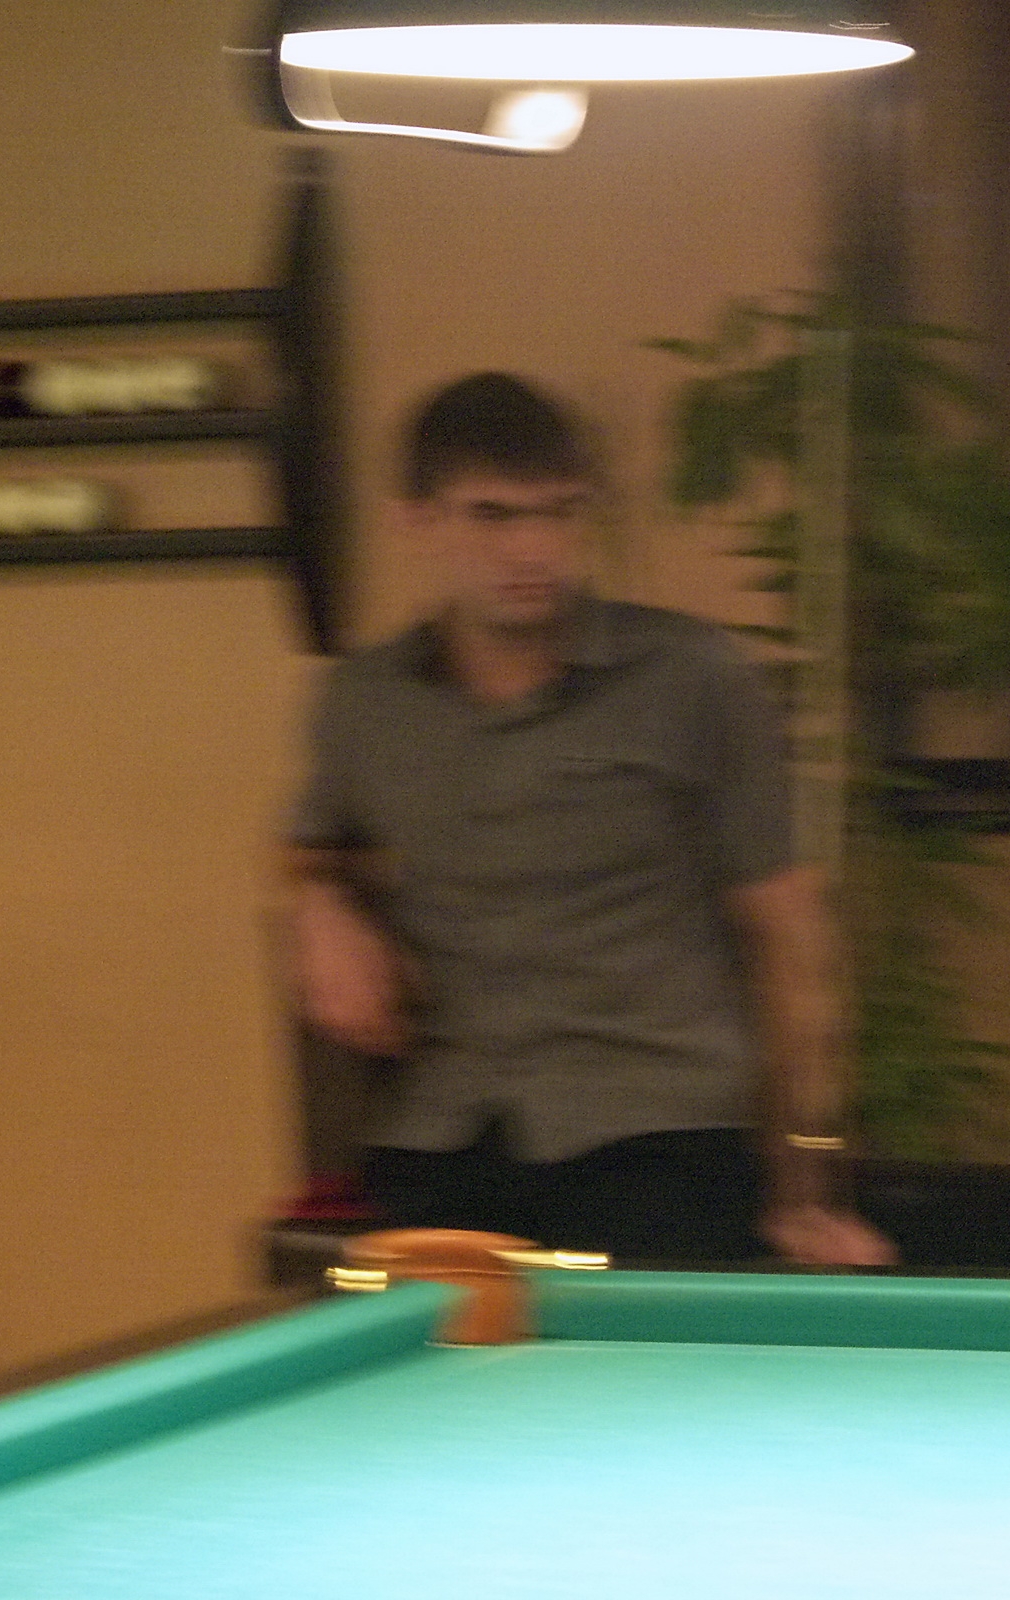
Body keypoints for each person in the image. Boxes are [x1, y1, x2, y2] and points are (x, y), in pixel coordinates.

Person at [286, 372, 893, 1267]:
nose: (533, 548)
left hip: (656, 1134)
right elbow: (307, 849)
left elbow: (792, 940)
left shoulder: (692, 677)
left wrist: (807, 1185)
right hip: (444, 1131)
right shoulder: (364, 700)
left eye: (560, 512)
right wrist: (320, 906)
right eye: (492, 516)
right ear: (415, 519)